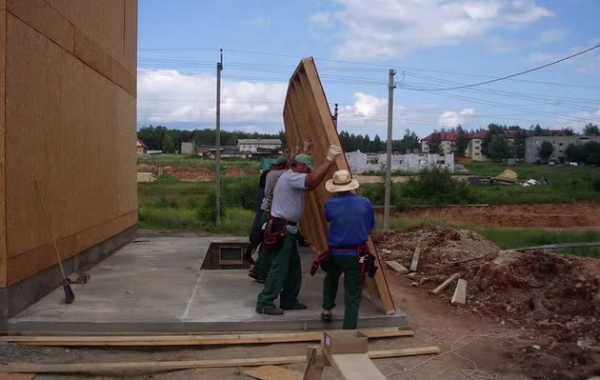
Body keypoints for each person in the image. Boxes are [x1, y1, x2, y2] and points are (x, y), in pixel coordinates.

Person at [256, 144, 343, 315]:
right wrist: (328, 160)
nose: (308, 172)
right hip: (283, 230)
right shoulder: (292, 177)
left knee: (293, 269)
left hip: (287, 229)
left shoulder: (290, 175)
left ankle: (289, 300)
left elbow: (307, 176)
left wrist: (304, 148)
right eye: (307, 169)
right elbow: (312, 182)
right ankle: (265, 302)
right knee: (279, 268)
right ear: (300, 167)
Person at [320, 169, 374, 329]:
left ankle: (327, 309)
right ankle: (348, 330)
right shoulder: (365, 202)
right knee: (353, 293)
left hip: (336, 252)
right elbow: (369, 227)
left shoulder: (330, 204)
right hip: (356, 254)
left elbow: (328, 218)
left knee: (330, 280)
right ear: (351, 185)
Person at [249, 156, 288, 283]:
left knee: (266, 244)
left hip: (266, 211)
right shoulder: (277, 174)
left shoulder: (269, 174)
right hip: (273, 213)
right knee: (269, 246)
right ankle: (261, 272)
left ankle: (258, 270)